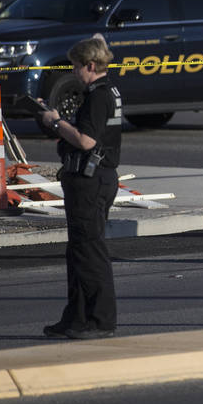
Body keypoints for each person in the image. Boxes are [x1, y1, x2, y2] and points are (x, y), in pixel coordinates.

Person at [39, 35, 123, 339]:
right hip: (95, 178)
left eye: (76, 66)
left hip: (92, 179)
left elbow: (87, 140)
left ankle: (101, 321)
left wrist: (55, 122)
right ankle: (75, 317)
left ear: (90, 65)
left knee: (89, 252)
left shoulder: (98, 95)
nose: (74, 72)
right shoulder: (108, 89)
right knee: (78, 251)